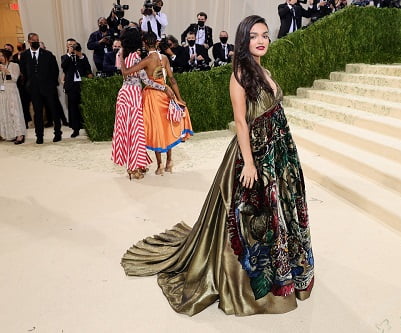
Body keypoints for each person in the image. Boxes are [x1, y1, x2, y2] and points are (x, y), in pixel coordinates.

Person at [121, 15, 314, 316]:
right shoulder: (239, 73)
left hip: (278, 152)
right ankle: (253, 282)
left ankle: (287, 270)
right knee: (249, 219)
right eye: (254, 36)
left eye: (264, 35)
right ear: (243, 40)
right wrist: (249, 164)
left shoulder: (265, 69)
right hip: (254, 154)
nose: (261, 40)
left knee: (279, 212)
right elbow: (240, 121)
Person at [120, 32, 194, 175]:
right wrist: (179, 97)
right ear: (156, 43)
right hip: (166, 95)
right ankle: (169, 161)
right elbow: (172, 80)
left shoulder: (146, 60)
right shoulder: (164, 58)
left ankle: (160, 165)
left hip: (152, 97)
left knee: (156, 130)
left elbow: (127, 72)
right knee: (167, 127)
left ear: (145, 43)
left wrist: (122, 58)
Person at [111, 27, 171, 180]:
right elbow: (145, 80)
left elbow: (122, 71)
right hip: (134, 95)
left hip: (123, 93)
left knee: (125, 130)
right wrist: (163, 87)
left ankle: (134, 165)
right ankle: (135, 168)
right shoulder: (136, 58)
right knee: (136, 132)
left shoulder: (121, 54)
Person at [19, 33, 62, 144]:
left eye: (37, 40)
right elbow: (23, 71)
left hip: (49, 88)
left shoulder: (48, 54)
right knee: (37, 113)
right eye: (34, 40)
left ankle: (58, 133)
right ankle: (39, 136)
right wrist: (29, 84)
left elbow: (55, 70)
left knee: (53, 111)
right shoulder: (24, 55)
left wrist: (52, 84)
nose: (36, 42)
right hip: (34, 89)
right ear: (29, 41)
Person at [61, 40, 93, 138]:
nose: (72, 46)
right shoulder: (65, 57)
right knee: (73, 107)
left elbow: (87, 67)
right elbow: (64, 67)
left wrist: (80, 55)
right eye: (70, 45)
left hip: (82, 83)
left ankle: (87, 127)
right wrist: (70, 54)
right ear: (67, 46)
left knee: (84, 105)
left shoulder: (81, 56)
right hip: (72, 85)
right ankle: (75, 129)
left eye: (74, 45)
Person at [0, 49, 26, 144]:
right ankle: (9, 134)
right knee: (5, 112)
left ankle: (20, 134)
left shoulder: (14, 65)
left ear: (7, 56)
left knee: (15, 112)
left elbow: (14, 79)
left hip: (12, 91)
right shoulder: (0, 66)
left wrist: (6, 71)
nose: (0, 58)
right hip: (3, 92)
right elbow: (1, 82)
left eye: (2, 56)